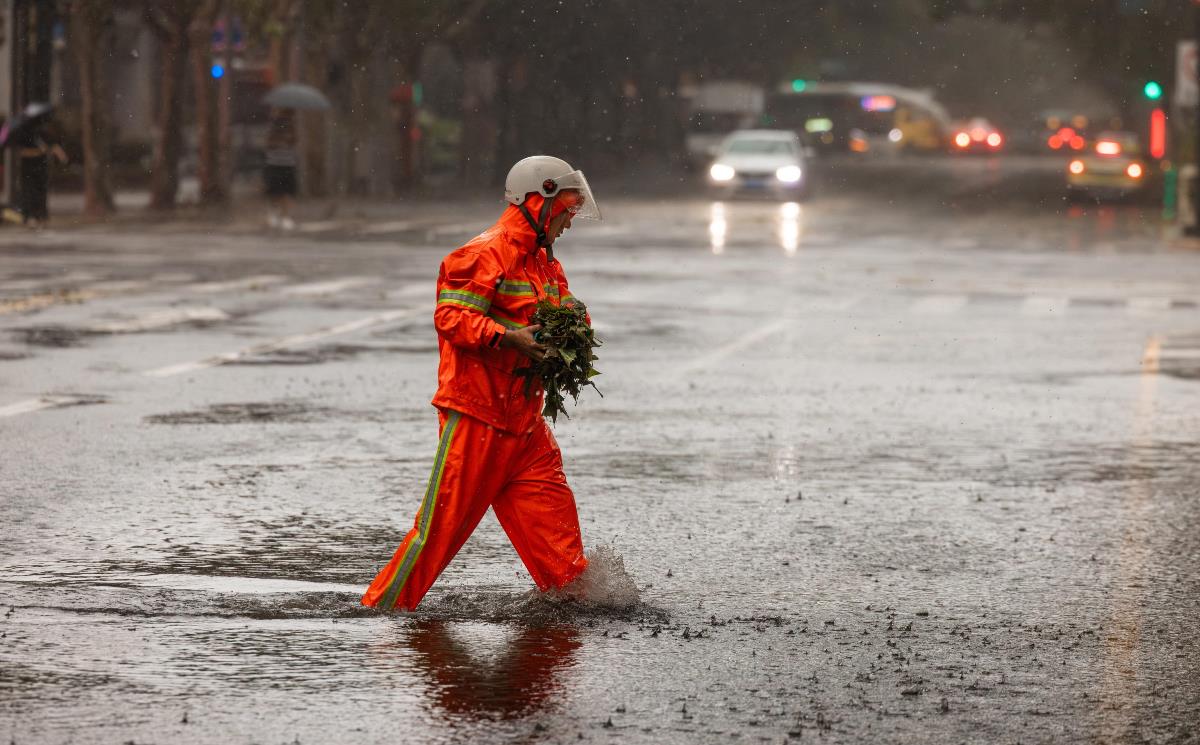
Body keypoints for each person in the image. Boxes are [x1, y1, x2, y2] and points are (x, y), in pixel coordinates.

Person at [362, 155, 602, 612]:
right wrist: (508, 337)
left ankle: (580, 609)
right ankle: (379, 615)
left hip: (525, 427)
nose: (570, 220)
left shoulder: (544, 264)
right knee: (435, 538)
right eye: (567, 208)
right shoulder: (482, 254)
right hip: (477, 418)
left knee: (562, 555)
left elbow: (571, 313)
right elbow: (451, 317)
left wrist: (576, 332)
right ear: (538, 199)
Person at [263, 110, 298, 230]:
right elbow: (268, 145)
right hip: (275, 165)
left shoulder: (292, 130)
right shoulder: (272, 132)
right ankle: (274, 214)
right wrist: (278, 142)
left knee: (286, 193)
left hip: (287, 166)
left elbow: (295, 144)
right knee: (274, 193)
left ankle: (286, 216)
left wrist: (288, 140)